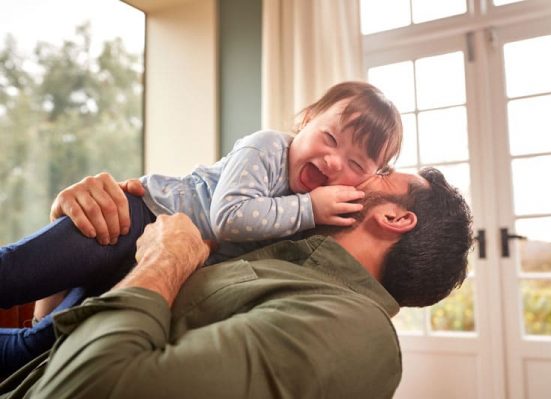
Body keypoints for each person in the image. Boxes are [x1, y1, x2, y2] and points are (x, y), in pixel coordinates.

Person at [0, 81, 402, 375]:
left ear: (367, 180)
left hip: (153, 268)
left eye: (356, 165)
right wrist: (309, 207)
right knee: (13, 274)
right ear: (307, 121)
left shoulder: (319, 217)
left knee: (37, 348)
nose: (334, 163)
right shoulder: (266, 149)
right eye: (329, 138)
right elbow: (229, 217)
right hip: (137, 218)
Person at [0, 167, 473, 398]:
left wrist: (163, 263)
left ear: (393, 217)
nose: (359, 172)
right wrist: (81, 232)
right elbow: (53, 352)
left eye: (383, 174)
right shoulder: (275, 265)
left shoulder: (352, 330)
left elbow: (87, 388)